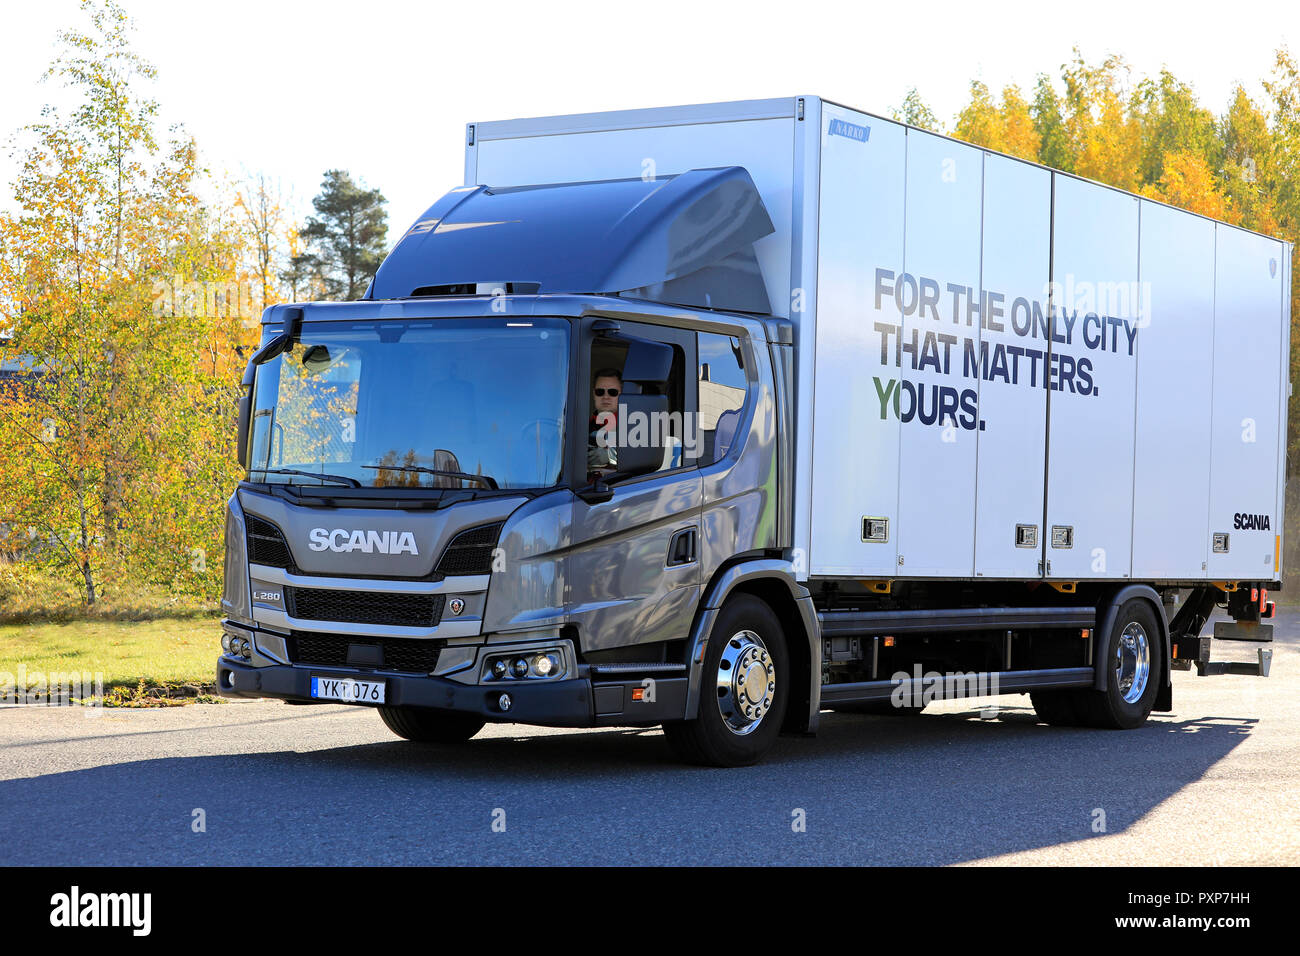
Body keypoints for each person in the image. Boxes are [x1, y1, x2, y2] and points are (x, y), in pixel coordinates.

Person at [587, 367, 622, 480]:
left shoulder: (633, 428)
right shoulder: (579, 428)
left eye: (612, 392)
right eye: (600, 392)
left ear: (621, 394)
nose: (605, 397)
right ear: (594, 394)